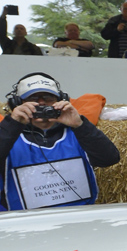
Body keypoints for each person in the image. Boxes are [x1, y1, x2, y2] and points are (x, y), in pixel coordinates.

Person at [1, 72, 120, 211]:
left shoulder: (78, 132)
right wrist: (12, 124)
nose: (41, 103)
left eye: (48, 97)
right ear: (17, 103)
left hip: (79, 218)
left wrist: (80, 124)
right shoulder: (8, 133)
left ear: (61, 100)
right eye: (32, 98)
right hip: (23, 222)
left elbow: (109, 158)